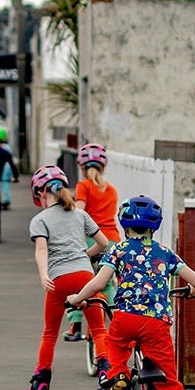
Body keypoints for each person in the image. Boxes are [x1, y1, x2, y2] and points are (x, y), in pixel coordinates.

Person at [66, 195, 195, 390]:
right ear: (154, 227)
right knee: (169, 383)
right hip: (156, 324)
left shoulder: (117, 251)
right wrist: (192, 290)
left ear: (124, 225)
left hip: (126, 318)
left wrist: (76, 299)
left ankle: (118, 375)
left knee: (115, 345)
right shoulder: (165, 252)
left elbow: (98, 284)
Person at [23, 164, 111, 390]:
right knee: (98, 328)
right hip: (85, 277)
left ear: (40, 194)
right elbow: (103, 243)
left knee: (50, 333)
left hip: (58, 280)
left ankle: (39, 388)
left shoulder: (40, 220)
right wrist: (85, 254)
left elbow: (41, 250)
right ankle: (105, 372)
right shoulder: (79, 215)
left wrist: (43, 274)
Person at [63, 143, 121, 342]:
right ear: (103, 167)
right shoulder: (112, 190)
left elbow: (79, 213)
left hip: (92, 240)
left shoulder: (83, 186)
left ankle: (75, 325)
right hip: (113, 241)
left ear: (82, 167)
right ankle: (115, 325)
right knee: (106, 286)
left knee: (77, 279)